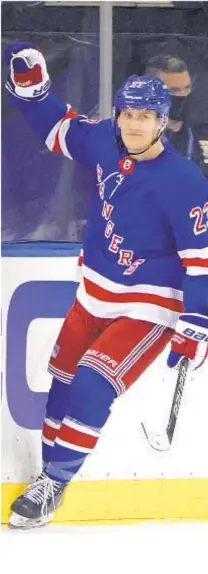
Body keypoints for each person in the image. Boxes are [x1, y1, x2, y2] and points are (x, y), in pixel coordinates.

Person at [4, 42, 208, 529]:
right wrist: (30, 88)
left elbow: (200, 261)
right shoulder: (103, 139)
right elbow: (55, 126)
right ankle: (48, 477)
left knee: (94, 381)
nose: (134, 123)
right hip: (93, 291)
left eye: (146, 115)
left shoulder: (186, 181)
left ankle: (55, 481)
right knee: (63, 382)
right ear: (117, 115)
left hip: (150, 306)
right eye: (128, 113)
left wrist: (196, 322)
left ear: (163, 121)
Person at [145, 54, 208, 176]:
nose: (183, 95)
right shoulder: (131, 137)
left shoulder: (200, 134)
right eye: (173, 90)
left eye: (187, 88)